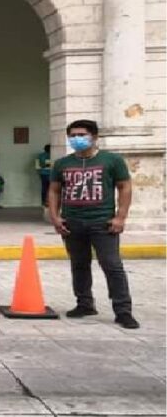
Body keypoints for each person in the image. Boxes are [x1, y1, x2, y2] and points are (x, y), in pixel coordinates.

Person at [48, 120, 138, 329]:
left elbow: (124, 187)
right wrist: (55, 216)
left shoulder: (111, 160)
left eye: (81, 135)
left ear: (94, 137)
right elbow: (54, 190)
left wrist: (120, 217)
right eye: (72, 135)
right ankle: (84, 304)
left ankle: (123, 311)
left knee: (112, 266)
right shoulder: (62, 164)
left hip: (102, 222)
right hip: (72, 222)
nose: (76, 139)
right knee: (79, 265)